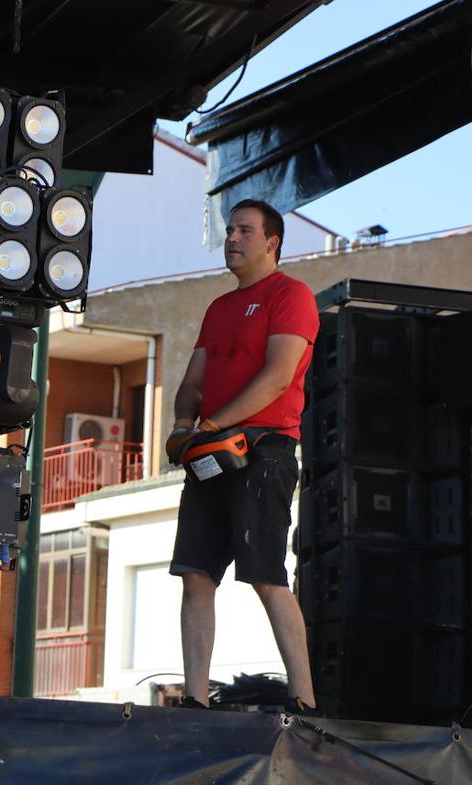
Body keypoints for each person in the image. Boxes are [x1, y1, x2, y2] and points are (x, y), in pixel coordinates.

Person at [165, 198, 318, 713]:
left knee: (265, 574)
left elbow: (277, 378)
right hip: (211, 450)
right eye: (229, 229)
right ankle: (195, 697)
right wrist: (184, 426)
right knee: (194, 572)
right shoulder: (219, 307)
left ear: (272, 242)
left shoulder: (291, 295)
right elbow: (191, 382)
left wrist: (208, 425)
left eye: (245, 230)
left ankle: (305, 701)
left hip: (265, 449)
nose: (232, 238)